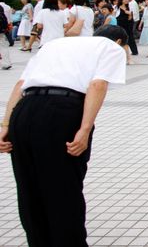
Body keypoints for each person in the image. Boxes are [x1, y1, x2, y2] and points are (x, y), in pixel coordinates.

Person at [0, 25, 128, 246]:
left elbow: (21, 84)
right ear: (119, 42)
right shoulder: (111, 48)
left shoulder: (55, 44)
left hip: (25, 110)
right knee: (63, 187)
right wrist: (85, 129)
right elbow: (97, 85)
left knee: (28, 186)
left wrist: (5, 125)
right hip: (61, 112)